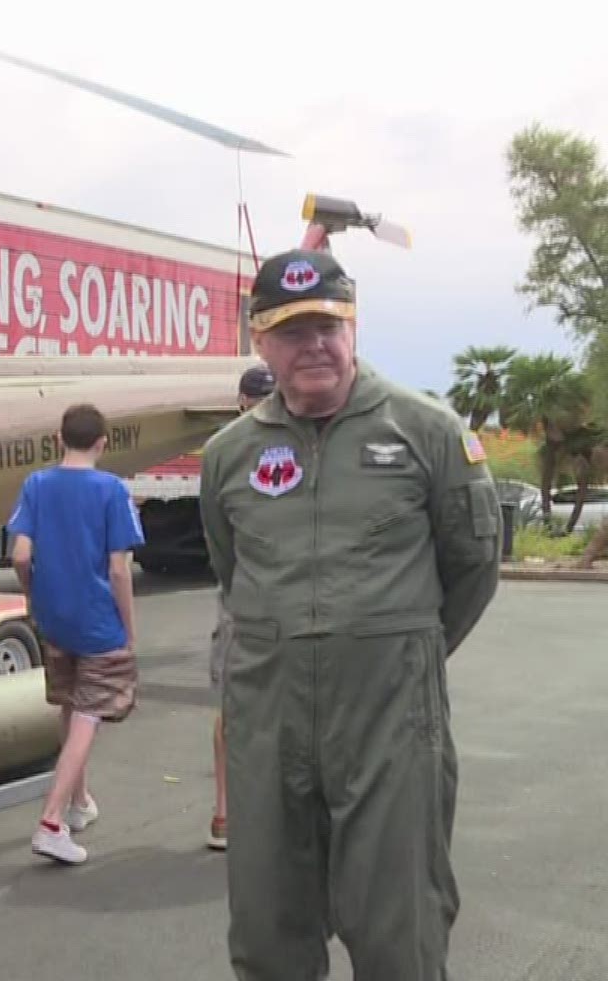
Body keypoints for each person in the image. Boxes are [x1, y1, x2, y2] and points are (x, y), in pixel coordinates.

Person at [199, 248, 502, 981]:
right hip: (268, 724)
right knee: (268, 935)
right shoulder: (229, 456)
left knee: (400, 932)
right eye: (293, 331)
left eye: (330, 327)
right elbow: (231, 569)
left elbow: (473, 568)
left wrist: (397, 650)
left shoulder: (427, 431)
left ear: (353, 327)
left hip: (392, 725)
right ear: (260, 341)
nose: (315, 347)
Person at [5, 402, 143, 866]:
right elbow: (119, 568)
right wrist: (128, 628)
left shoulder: (36, 485)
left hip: (54, 616)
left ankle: (80, 802)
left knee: (68, 703)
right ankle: (50, 820)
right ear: (103, 442)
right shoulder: (112, 490)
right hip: (97, 618)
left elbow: (21, 555)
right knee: (89, 715)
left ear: (57, 438)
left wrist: (33, 598)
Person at [206, 362, 276, 852]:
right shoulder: (226, 453)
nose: (264, 410)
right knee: (234, 708)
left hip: (291, 599)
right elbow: (218, 540)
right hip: (245, 600)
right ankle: (225, 813)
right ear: (240, 402)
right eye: (257, 402)